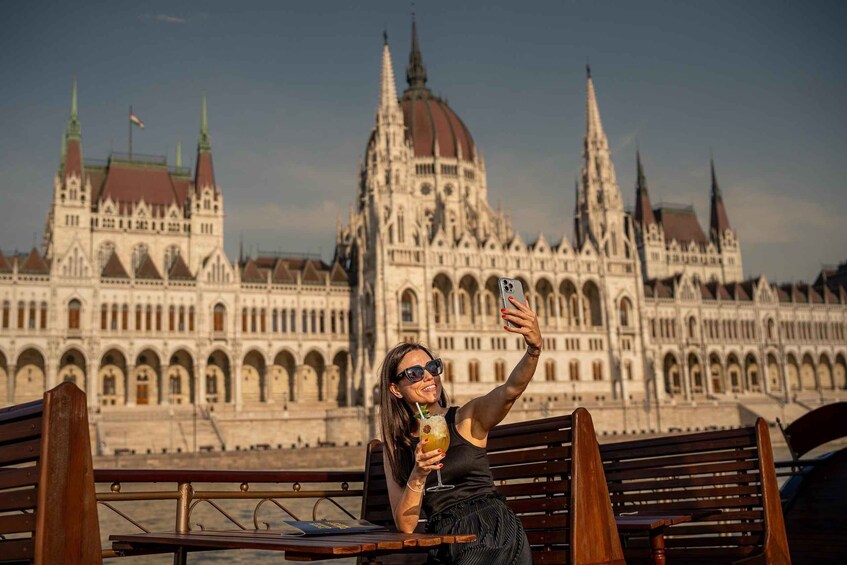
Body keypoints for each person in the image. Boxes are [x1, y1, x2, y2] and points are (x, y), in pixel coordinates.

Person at [378, 294, 542, 564]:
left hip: (490, 531)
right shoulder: (396, 447)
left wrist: (533, 350)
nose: (428, 376)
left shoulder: (466, 419)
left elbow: (510, 391)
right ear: (395, 389)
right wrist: (418, 473)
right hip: (445, 542)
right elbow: (406, 526)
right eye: (414, 373)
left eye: (432, 367)